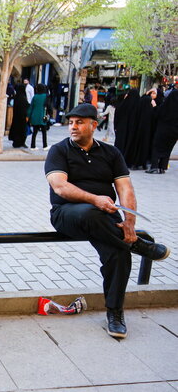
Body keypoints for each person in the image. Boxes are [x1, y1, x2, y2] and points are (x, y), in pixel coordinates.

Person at [45, 103, 170, 339]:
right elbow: (60, 187)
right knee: (90, 213)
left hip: (105, 218)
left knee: (118, 255)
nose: (73, 127)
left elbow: (126, 189)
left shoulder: (111, 153)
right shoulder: (59, 151)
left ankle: (115, 312)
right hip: (67, 214)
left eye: (79, 122)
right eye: (71, 122)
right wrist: (94, 199)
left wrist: (129, 223)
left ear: (94, 125)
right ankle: (138, 245)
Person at [146, 90, 178, 174]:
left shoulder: (167, 105)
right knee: (167, 149)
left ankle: (154, 167)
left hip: (163, 130)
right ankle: (162, 167)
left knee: (156, 147)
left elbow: (158, 113)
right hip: (174, 132)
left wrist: (154, 106)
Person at [28, 84, 53, 150]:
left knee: (34, 132)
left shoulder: (35, 97)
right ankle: (45, 145)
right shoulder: (46, 96)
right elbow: (49, 106)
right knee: (44, 132)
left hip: (34, 116)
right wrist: (50, 114)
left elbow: (31, 107)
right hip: (42, 116)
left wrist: (28, 116)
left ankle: (32, 146)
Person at [9, 84, 29, 148]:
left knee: (16, 129)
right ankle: (21, 142)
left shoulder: (16, 97)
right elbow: (25, 108)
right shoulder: (23, 98)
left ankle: (16, 142)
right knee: (22, 130)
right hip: (22, 118)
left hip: (16, 117)